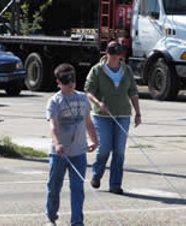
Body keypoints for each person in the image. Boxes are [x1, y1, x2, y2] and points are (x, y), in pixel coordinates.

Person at [84, 41, 142, 195]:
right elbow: (88, 90)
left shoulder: (126, 70)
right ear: (107, 54)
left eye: (118, 54)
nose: (116, 58)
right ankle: (97, 174)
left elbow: (133, 92)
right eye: (113, 54)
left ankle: (115, 184)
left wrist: (138, 113)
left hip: (122, 114)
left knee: (119, 151)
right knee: (105, 148)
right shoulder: (97, 70)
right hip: (103, 115)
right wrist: (98, 102)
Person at [45, 63, 98, 226]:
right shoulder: (54, 101)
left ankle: (77, 222)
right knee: (54, 186)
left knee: (77, 188)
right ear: (58, 83)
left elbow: (88, 121)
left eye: (72, 81)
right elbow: (53, 126)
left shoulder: (82, 99)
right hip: (59, 153)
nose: (70, 84)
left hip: (78, 152)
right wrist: (57, 143)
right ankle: (51, 216)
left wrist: (94, 140)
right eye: (66, 81)